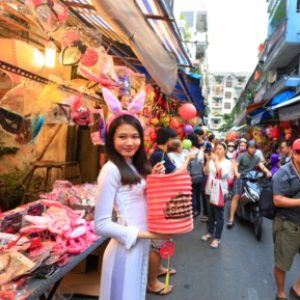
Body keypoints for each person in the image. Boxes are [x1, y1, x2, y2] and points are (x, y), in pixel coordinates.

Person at [94, 114, 169, 300]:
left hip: (139, 247)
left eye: (135, 136)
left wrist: (153, 179)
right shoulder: (110, 170)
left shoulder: (135, 165)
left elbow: (138, 199)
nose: (129, 142)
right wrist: (150, 235)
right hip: (124, 251)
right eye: (122, 137)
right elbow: (101, 225)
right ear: (111, 139)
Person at [148, 127, 195, 295]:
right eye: (176, 138)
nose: (179, 141)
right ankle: (152, 282)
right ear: (168, 140)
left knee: (161, 240)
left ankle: (158, 269)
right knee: (157, 243)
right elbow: (176, 174)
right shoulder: (159, 155)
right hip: (160, 204)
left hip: (161, 202)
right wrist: (188, 158)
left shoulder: (159, 154)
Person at [273, 138, 300, 300]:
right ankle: (281, 292)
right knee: (282, 262)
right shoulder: (283, 173)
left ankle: (297, 288)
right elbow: (277, 199)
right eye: (299, 152)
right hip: (287, 224)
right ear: (293, 152)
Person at [227, 140, 272, 227]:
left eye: (254, 148)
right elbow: (236, 165)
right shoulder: (242, 156)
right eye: (251, 147)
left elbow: (261, 166)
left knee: (259, 193)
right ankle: (231, 218)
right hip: (241, 177)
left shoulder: (256, 158)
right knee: (236, 195)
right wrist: (236, 173)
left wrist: (267, 172)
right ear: (248, 148)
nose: (253, 149)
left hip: (252, 178)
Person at [201, 142, 232, 248]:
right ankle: (210, 233)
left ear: (225, 151)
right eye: (216, 149)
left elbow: (221, 174)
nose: (217, 151)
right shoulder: (212, 161)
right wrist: (208, 161)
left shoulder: (228, 162)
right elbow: (205, 172)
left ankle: (217, 238)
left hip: (220, 191)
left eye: (220, 149)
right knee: (211, 214)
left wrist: (216, 160)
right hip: (210, 189)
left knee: (219, 215)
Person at [186, 133, 205, 218]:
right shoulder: (200, 151)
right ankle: (198, 209)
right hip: (199, 175)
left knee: (192, 193)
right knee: (197, 193)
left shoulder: (188, 151)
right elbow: (202, 163)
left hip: (191, 175)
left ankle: (193, 210)